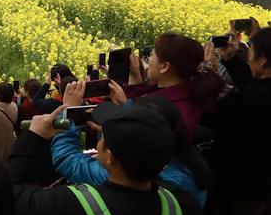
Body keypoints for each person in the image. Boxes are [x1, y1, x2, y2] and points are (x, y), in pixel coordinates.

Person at [10, 102, 202, 215]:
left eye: (104, 136)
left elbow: (13, 192)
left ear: (109, 155)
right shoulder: (183, 207)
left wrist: (33, 136)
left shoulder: (70, 207)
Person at [197, 26, 271, 215]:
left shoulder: (251, 99)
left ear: (263, 58)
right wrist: (230, 60)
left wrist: (208, 73)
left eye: (251, 51)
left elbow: (210, 115)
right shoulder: (258, 90)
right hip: (263, 194)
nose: (247, 56)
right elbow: (253, 83)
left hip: (235, 190)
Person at [52, 86, 210, 205]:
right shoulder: (189, 165)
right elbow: (148, 123)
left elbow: (66, 158)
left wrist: (64, 112)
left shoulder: (121, 175)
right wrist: (125, 105)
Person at [124, 32, 223, 139]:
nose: (149, 59)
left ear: (164, 67)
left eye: (152, 55)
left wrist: (124, 106)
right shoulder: (191, 91)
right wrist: (135, 74)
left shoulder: (165, 110)